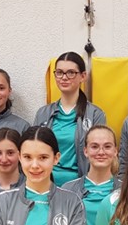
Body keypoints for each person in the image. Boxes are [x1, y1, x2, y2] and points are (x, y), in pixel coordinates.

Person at [33, 51, 107, 186]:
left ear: (83, 76)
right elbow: (34, 150)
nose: (64, 77)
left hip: (81, 186)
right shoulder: (43, 113)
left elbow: (100, 155)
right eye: (59, 72)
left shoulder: (95, 114)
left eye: (71, 73)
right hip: (46, 184)